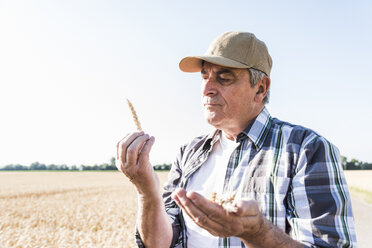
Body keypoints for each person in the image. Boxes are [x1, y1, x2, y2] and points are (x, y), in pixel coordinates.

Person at [116, 31, 356, 247]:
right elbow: (160, 243)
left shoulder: (305, 149)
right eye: (204, 76)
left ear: (260, 88)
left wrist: (258, 233)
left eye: (224, 77)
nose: (207, 88)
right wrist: (146, 191)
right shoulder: (188, 153)